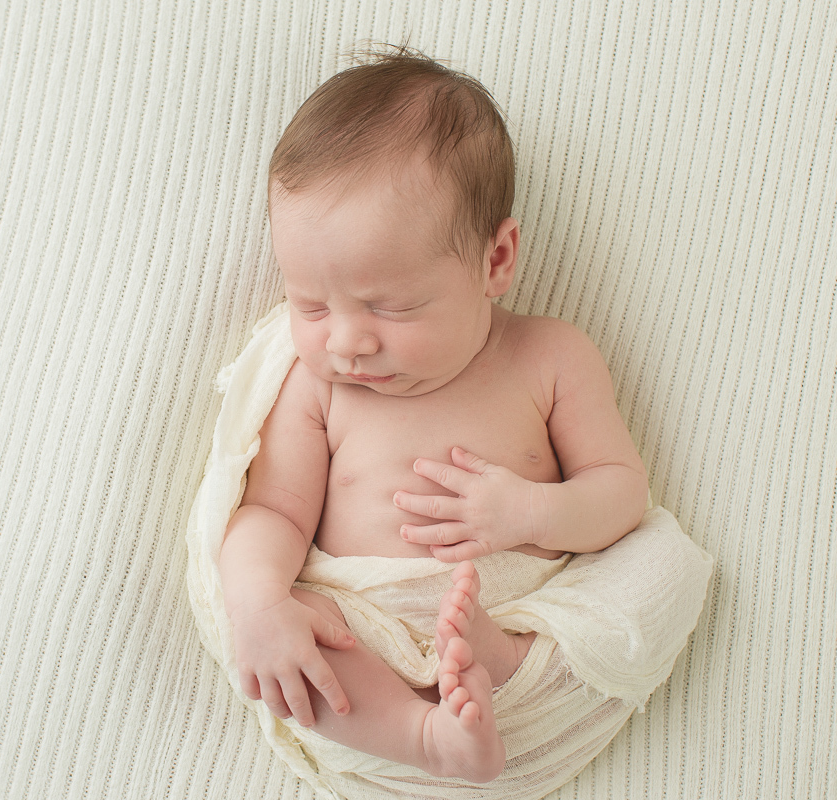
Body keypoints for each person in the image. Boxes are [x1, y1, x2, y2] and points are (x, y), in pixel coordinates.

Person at [217, 47, 649, 784]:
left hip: (515, 616)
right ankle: (422, 735)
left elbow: (623, 495)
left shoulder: (550, 357)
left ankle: (502, 664)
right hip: (369, 636)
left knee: (657, 574)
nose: (348, 340)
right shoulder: (315, 387)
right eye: (311, 306)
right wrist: (258, 603)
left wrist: (532, 514)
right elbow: (274, 512)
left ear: (496, 260)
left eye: (392, 305)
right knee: (300, 652)